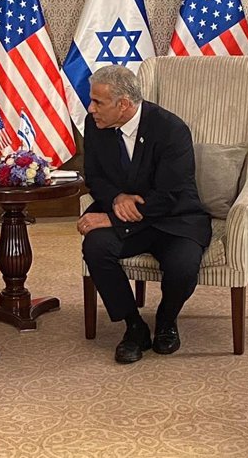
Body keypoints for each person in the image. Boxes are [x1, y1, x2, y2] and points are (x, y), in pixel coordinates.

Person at [79, 65, 211, 364]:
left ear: (124, 104)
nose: (91, 108)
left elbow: (171, 194)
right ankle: (134, 326)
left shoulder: (170, 129)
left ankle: (166, 320)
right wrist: (115, 198)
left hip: (173, 218)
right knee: (96, 246)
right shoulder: (94, 124)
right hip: (127, 217)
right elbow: (95, 176)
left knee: (182, 266)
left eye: (98, 102)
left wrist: (112, 218)